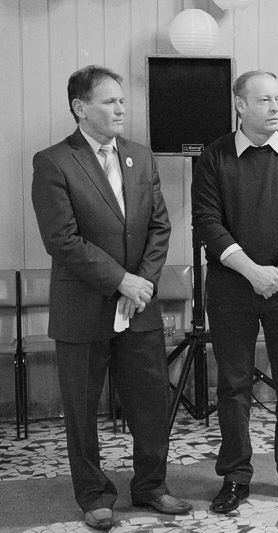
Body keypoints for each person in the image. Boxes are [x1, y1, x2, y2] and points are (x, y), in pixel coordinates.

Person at [31, 65, 192, 530]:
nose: (121, 108)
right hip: (83, 308)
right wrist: (121, 280)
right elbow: (62, 239)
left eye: (122, 100)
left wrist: (141, 283)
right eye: (109, 101)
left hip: (138, 306)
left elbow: (159, 226)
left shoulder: (140, 156)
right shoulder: (54, 162)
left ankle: (151, 486)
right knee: (82, 411)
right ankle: (94, 496)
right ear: (81, 108)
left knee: (151, 404)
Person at [192, 70, 278, 513]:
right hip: (231, 288)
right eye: (265, 100)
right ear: (240, 105)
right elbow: (207, 222)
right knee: (233, 385)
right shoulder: (214, 157)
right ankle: (235, 475)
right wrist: (251, 271)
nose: (274, 108)